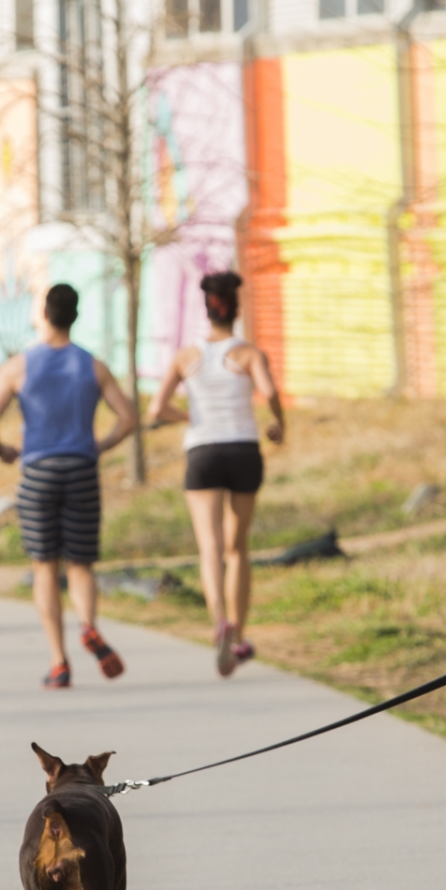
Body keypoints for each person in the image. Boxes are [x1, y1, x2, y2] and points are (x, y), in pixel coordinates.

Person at [0, 284, 138, 689]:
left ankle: (59, 662)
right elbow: (128, 417)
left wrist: (1, 451)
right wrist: (100, 445)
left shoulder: (18, 367)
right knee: (80, 565)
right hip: (82, 470)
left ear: (44, 315)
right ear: (76, 316)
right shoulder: (93, 366)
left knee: (45, 566)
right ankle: (88, 625)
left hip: (38, 472)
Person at [146, 272, 284, 678]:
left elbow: (156, 409)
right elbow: (271, 392)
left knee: (210, 546)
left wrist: (190, 417)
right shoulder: (249, 354)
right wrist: (279, 425)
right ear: (236, 309)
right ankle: (239, 635)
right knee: (237, 548)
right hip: (243, 448)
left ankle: (219, 622)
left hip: (203, 450)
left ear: (207, 310)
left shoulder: (186, 356)